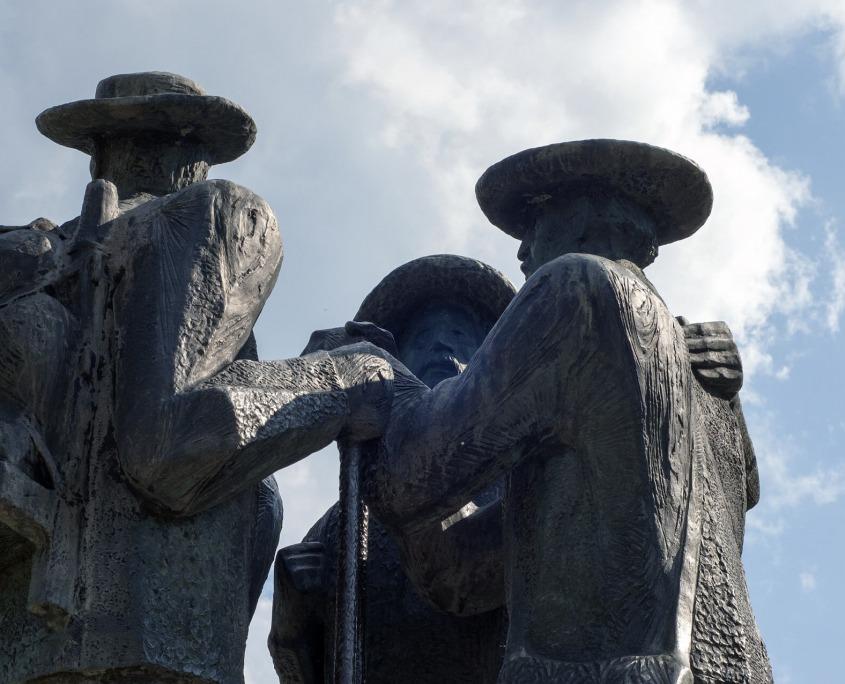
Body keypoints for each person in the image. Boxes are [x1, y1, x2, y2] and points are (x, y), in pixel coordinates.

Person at [0, 72, 392, 684]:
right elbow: (167, 449)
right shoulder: (208, 213)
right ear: (194, 144)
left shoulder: (42, 258)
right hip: (143, 655)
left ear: (98, 147)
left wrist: (285, 376)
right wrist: (345, 380)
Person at [363, 140, 771, 683]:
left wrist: (371, 376)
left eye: (534, 220)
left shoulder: (574, 288)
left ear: (578, 216)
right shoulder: (706, 371)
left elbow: (409, 475)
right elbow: (465, 577)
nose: (522, 250)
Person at [270, 255, 514, 683]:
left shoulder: (520, 488)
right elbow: (301, 672)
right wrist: (294, 621)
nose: (442, 346)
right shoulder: (347, 521)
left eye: (459, 336)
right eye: (424, 338)